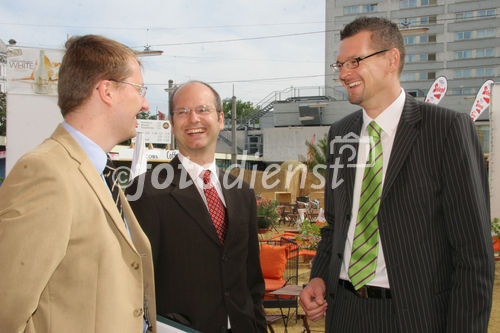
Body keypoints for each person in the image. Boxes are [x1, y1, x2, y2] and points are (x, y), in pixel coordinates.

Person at [300, 16, 494, 332]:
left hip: (416, 318)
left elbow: (474, 255)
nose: (344, 73)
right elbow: (335, 225)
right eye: (340, 65)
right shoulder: (340, 135)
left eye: (355, 61)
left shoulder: (446, 130)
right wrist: (319, 277)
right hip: (345, 313)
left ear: (392, 59)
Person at [0, 35, 156, 333]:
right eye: (139, 89)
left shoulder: (100, 173)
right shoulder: (46, 173)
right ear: (107, 91)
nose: (145, 103)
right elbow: (7, 311)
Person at [126, 80, 267, 332]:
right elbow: (136, 282)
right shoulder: (145, 191)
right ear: (172, 122)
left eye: (203, 110)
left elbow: (251, 279)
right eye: (182, 112)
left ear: (221, 119)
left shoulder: (243, 193)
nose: (193, 119)